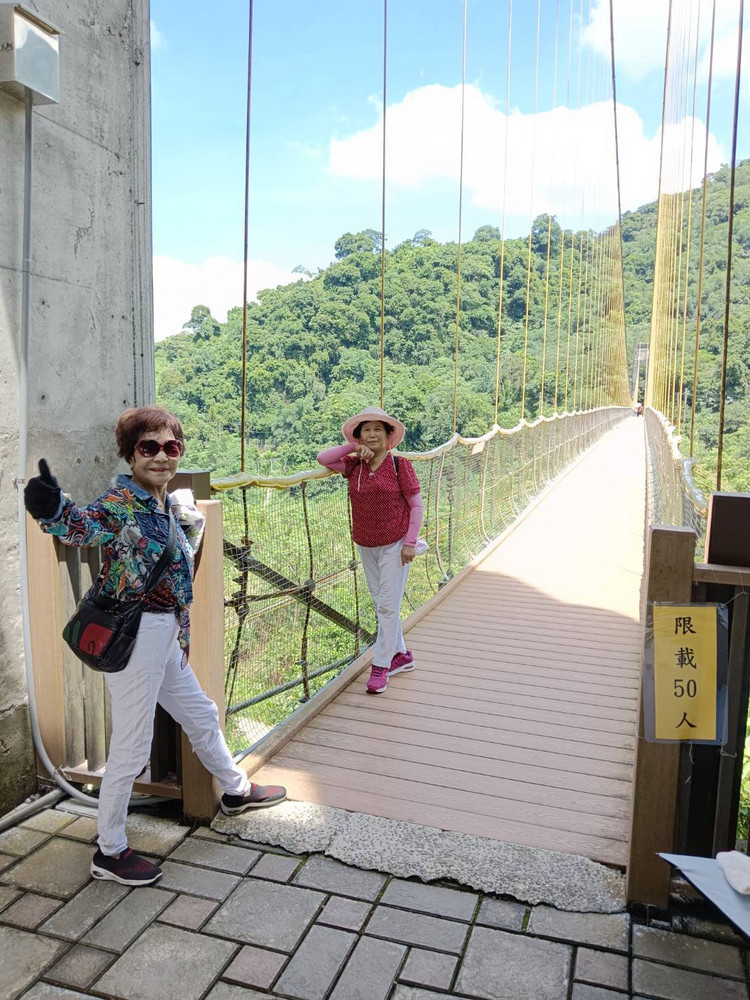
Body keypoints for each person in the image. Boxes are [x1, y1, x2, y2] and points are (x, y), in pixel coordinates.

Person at [24, 406, 286, 887]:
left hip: (167, 637)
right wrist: (52, 509)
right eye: (149, 447)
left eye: (171, 447)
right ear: (130, 455)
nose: (162, 456)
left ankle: (234, 790)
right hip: (136, 636)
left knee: (201, 713)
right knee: (131, 746)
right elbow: (82, 526)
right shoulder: (121, 503)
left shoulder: (167, 504)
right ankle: (110, 851)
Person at [317, 406, 424, 695]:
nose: (373, 434)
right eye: (367, 430)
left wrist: (410, 542)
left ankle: (381, 665)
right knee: (382, 603)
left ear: (389, 437)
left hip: (396, 544)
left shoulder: (400, 466)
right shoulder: (355, 466)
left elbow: (416, 504)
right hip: (366, 544)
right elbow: (324, 458)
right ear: (359, 436)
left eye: (379, 429)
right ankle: (402, 655)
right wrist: (353, 447)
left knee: (387, 605)